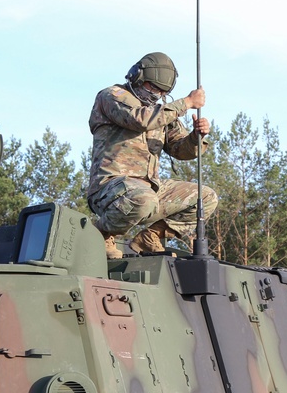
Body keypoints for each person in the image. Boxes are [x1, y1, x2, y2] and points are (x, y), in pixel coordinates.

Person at [87, 52, 218, 258]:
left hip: (148, 190)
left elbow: (180, 149)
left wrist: (195, 137)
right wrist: (185, 103)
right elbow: (140, 119)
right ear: (136, 77)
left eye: (162, 92)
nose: (156, 95)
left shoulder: (162, 111)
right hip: (110, 188)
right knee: (143, 199)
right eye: (152, 87)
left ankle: (151, 237)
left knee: (205, 197)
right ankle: (102, 233)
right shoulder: (112, 96)